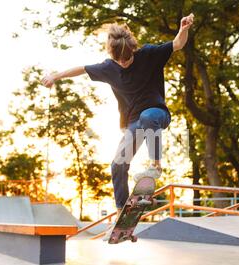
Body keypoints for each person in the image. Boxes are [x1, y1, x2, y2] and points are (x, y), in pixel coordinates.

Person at [42, 13, 194, 215]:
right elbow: (82, 69)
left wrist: (183, 29)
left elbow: (177, 44)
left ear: (133, 49)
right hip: (133, 124)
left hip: (157, 115)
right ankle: (122, 212)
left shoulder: (148, 54)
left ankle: (155, 167)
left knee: (147, 117)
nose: (124, 63)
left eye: (127, 59)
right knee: (117, 165)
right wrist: (56, 76)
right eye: (119, 61)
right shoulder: (108, 67)